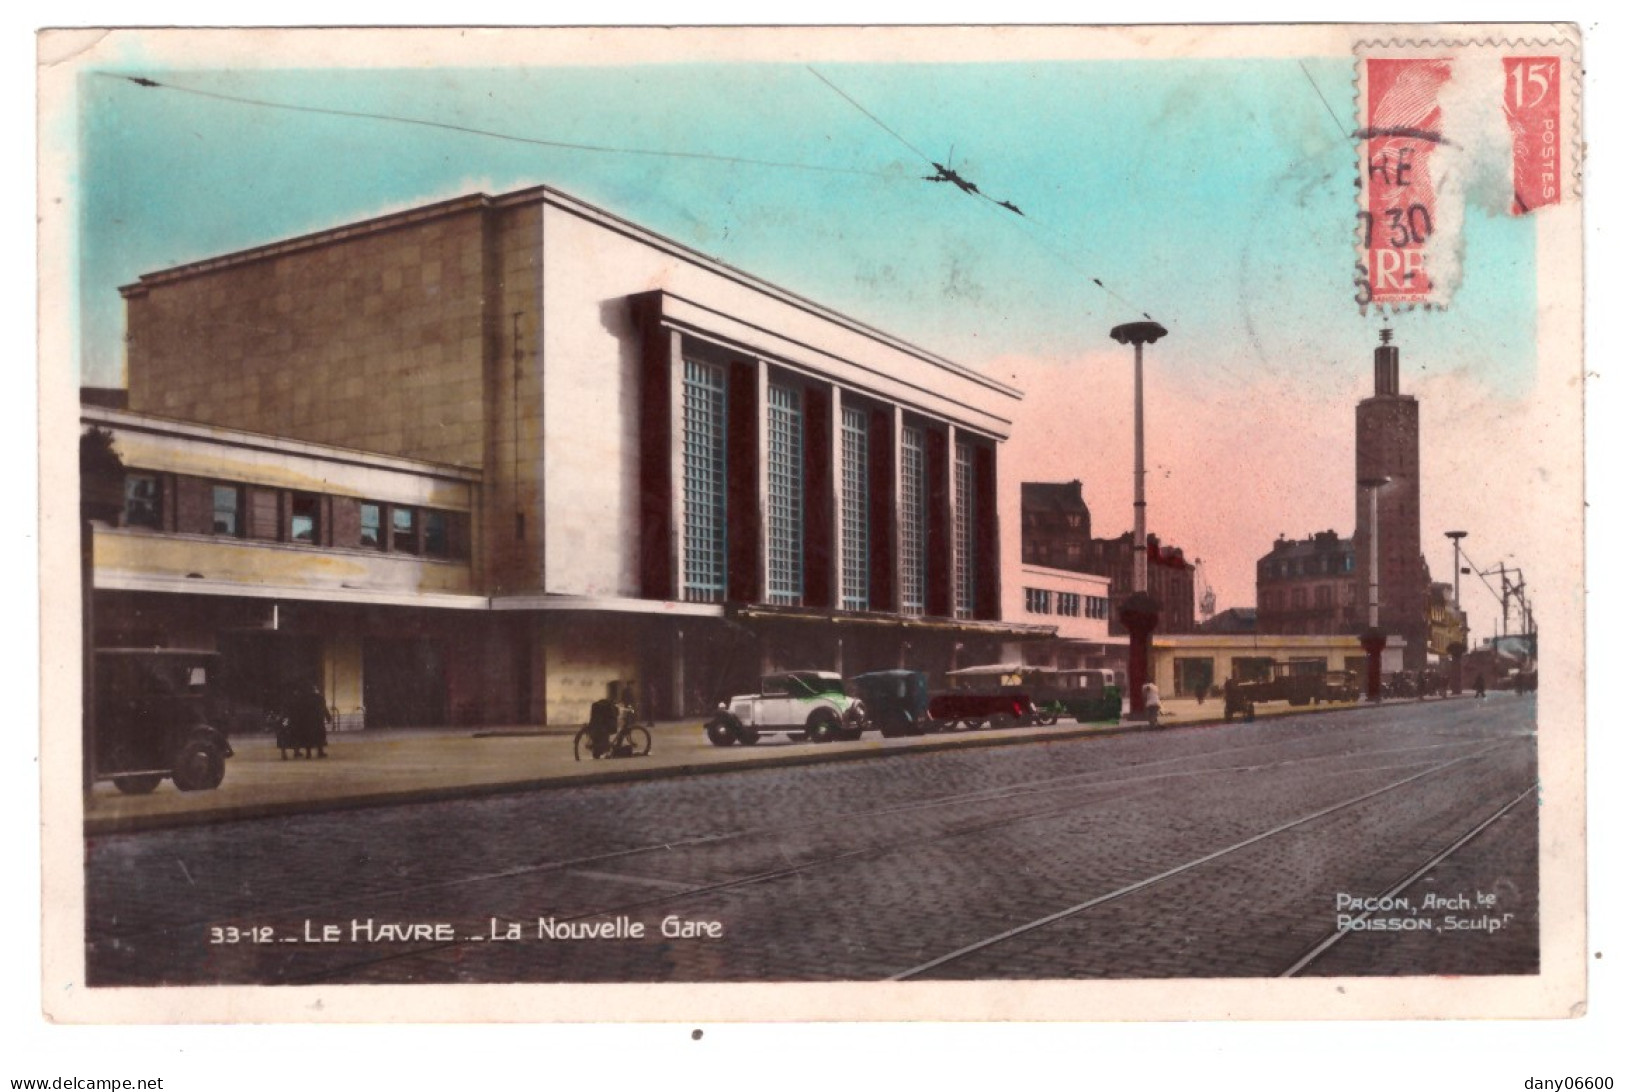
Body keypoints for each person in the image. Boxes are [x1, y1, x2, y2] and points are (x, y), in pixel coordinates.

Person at [286, 683, 331, 759]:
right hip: (318, 720)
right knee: (319, 736)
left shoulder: (302, 698)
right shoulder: (319, 698)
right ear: (314, 690)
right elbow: (324, 708)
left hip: (306, 721)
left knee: (308, 737)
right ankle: (320, 751)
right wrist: (328, 717)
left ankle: (308, 753)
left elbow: (299, 710)